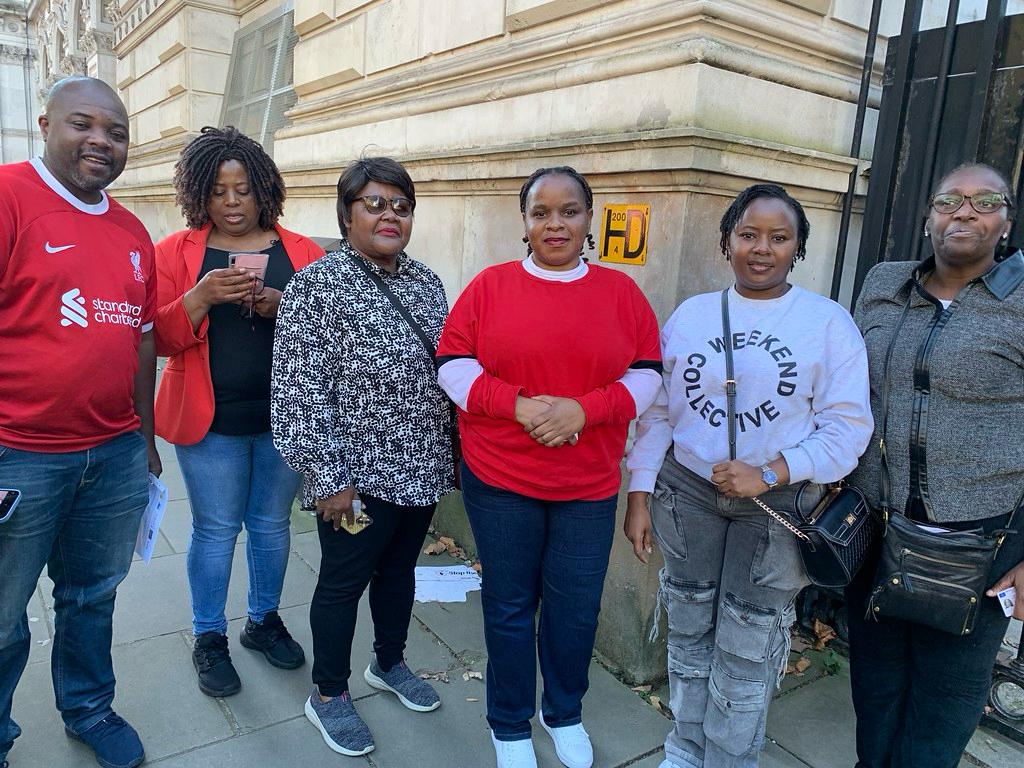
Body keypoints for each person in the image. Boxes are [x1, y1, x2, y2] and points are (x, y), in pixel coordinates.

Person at [624, 183, 873, 768]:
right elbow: (660, 412)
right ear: (726, 241)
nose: (762, 248)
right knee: (688, 629)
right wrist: (639, 492)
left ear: (798, 248)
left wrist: (771, 470)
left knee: (747, 642)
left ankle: (730, 758)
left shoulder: (827, 324)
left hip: (777, 507)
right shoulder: (691, 316)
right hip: (687, 495)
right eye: (748, 234)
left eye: (779, 237)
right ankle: (684, 750)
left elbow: (848, 430)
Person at [436, 166, 663, 768]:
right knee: (509, 604)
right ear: (526, 222)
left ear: (589, 219)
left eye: (569, 211)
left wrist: (581, 413)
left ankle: (563, 712)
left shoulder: (621, 294)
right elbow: (453, 365)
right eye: (541, 212)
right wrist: (517, 405)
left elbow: (646, 376)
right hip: (501, 477)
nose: (554, 223)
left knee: (574, 606)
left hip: (586, 484)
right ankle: (508, 722)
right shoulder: (489, 286)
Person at [0, 76, 160, 768]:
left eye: (117, 131)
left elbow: (144, 338)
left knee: (92, 596)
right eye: (83, 125)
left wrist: (145, 440)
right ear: (45, 124)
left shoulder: (130, 229)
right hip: (19, 456)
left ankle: (89, 706)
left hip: (114, 454)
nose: (102, 141)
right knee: (1, 615)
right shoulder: (9, 197)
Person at [271, 157, 454, 757]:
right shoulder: (315, 288)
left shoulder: (425, 282)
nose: (390, 215)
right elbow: (298, 391)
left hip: (421, 468)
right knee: (344, 581)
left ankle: (390, 663)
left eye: (401, 206)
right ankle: (327, 694)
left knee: (400, 573)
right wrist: (327, 478)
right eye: (375, 203)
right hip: (353, 480)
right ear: (347, 212)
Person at [844, 162, 1024, 768]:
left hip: (979, 545)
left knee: (943, 705)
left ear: (1007, 220)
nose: (964, 212)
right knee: (874, 689)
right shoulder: (882, 284)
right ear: (928, 219)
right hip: (874, 530)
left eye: (984, 201)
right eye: (949, 199)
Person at [153, 126, 323, 698]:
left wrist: (285, 307)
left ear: (264, 191)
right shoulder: (176, 253)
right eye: (219, 191)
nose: (231, 202)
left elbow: (329, 339)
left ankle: (263, 621)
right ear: (200, 193)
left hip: (284, 423)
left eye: (244, 190)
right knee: (217, 530)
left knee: (272, 528)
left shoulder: (304, 252)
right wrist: (198, 297)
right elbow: (157, 339)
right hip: (210, 424)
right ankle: (208, 636)